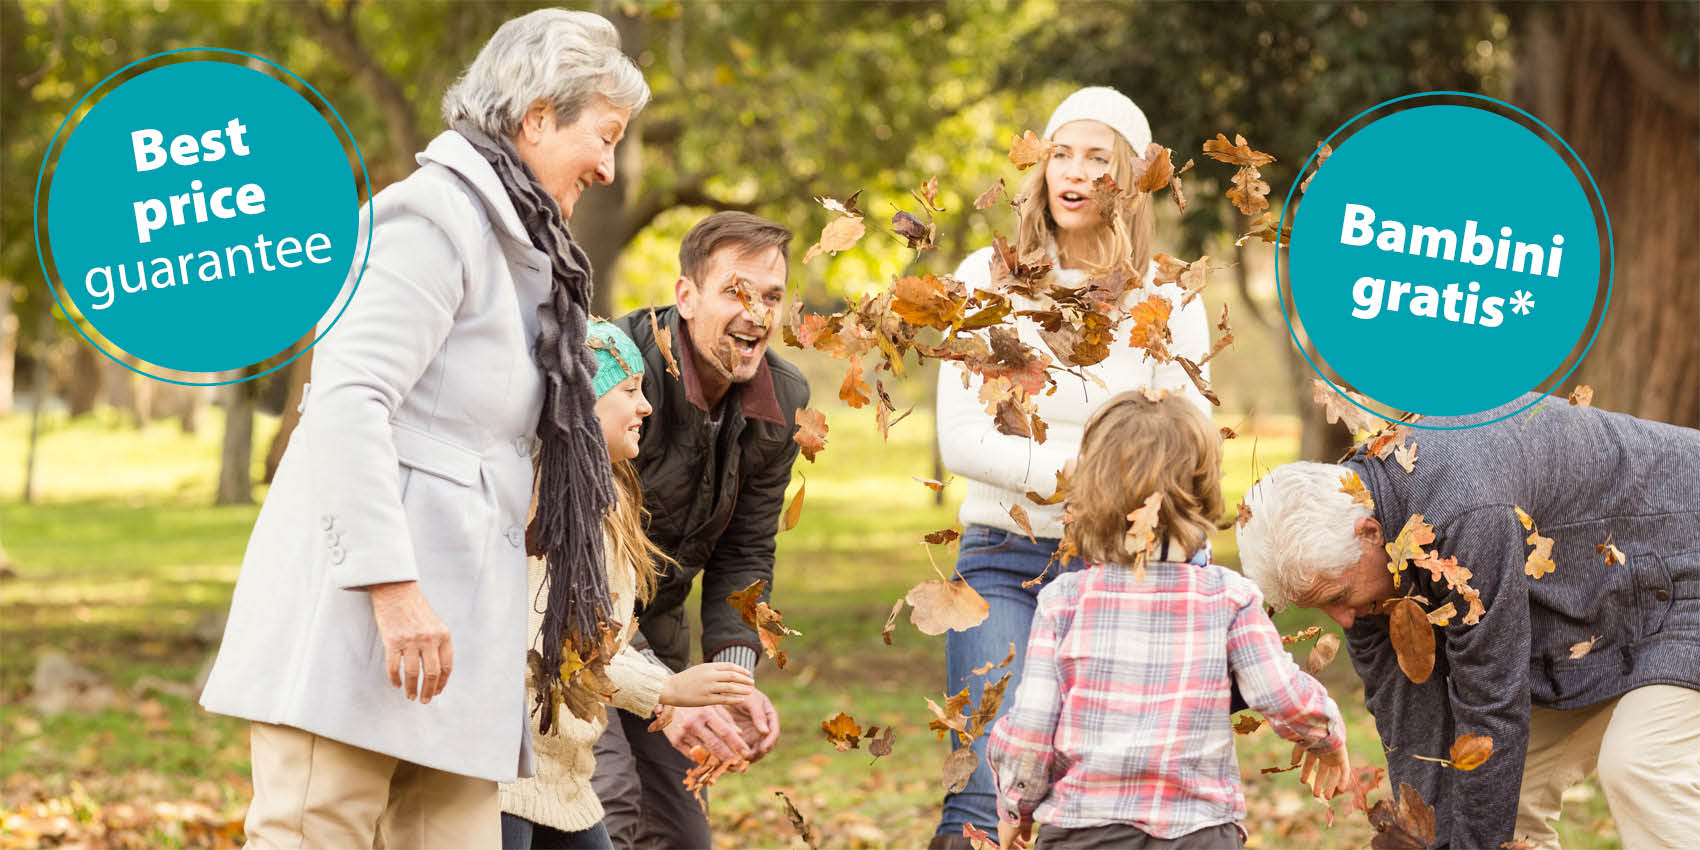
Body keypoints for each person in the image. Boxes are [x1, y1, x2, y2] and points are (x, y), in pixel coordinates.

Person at [199, 10, 647, 847]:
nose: (610, 167)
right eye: (605, 135)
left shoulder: (529, 255)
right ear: (539, 115)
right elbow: (344, 401)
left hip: (464, 646)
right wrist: (392, 589)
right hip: (367, 620)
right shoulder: (430, 221)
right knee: (314, 831)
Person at [930, 86, 1214, 847]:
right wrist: (1105, 468)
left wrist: (1118, 481)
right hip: (1003, 560)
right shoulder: (988, 276)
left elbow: (1190, 441)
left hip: (1125, 567)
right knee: (987, 787)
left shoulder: (1167, 296)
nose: (1073, 171)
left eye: (1098, 156)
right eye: (1061, 153)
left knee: (1109, 795)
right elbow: (962, 440)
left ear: (1130, 179)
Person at [1236, 393, 1700, 849]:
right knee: (1498, 797)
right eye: (1322, 608)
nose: (1343, 619)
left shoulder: (1460, 506)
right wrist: (1427, 837)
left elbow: (1491, 701)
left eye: (1337, 597)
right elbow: (1408, 715)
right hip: (1609, 603)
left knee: (1642, 764)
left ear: (1370, 533)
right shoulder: (1364, 536)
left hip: (1685, 561)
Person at [987, 391, 1350, 850]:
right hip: (1198, 832)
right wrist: (1327, 735)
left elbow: (1031, 732)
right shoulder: (1228, 597)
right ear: (1203, 489)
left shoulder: (1064, 602)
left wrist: (1015, 808)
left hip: (1083, 831)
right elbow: (1282, 695)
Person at [593, 211, 810, 850]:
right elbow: (566, 551)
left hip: (655, 629)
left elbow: (745, 549)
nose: (757, 313)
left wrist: (729, 685)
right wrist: (665, 696)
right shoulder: (617, 368)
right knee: (608, 808)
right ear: (686, 297)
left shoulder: (781, 398)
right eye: (737, 292)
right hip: (573, 627)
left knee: (680, 832)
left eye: (771, 296)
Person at [499, 321, 755, 850]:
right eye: (629, 391)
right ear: (578, 402)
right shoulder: (529, 504)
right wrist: (665, 688)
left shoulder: (608, 502)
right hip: (504, 774)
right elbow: (542, 642)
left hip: (565, 778)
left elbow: (598, 639)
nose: (646, 408)